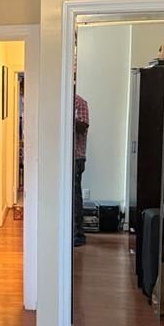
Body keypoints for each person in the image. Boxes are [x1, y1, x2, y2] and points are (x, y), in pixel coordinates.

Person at [74, 93, 89, 247]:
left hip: (76, 158)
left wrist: (67, 116)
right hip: (63, 158)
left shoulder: (80, 103)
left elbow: (83, 127)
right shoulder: (60, 102)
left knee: (74, 196)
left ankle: (78, 234)